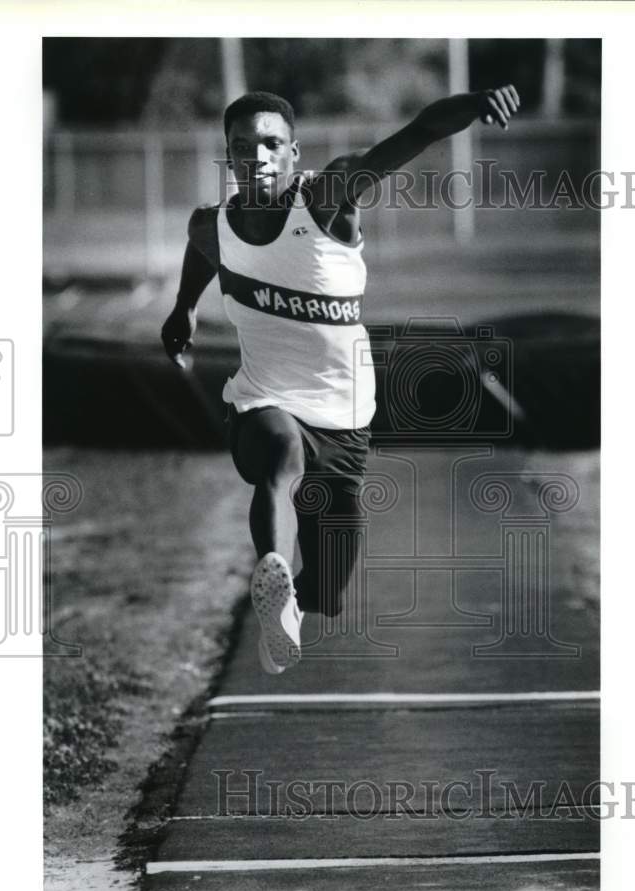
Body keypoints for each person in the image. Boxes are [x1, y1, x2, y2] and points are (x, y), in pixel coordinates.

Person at [161, 85, 520, 674]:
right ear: (228, 158)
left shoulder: (329, 196)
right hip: (264, 401)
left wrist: (475, 103)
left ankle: (294, 608)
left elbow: (418, 133)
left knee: (329, 587)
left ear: (294, 154)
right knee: (280, 456)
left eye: (272, 144)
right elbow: (202, 249)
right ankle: (272, 571)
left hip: (344, 418)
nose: (258, 158)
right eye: (243, 147)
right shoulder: (213, 225)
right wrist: (184, 309)